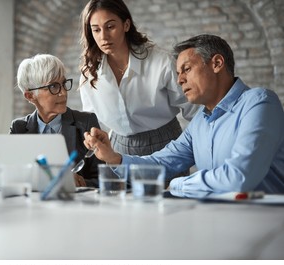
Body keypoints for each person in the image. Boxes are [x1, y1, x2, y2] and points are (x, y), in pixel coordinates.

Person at [83, 34, 284, 194]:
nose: (179, 80)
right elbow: (160, 163)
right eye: (178, 73)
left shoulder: (259, 103)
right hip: (218, 223)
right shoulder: (199, 123)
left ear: (216, 63)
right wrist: (114, 158)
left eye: (186, 69)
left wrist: (178, 184)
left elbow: (239, 177)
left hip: (266, 224)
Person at [79, 0, 199, 157]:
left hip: (166, 144)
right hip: (118, 148)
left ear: (126, 25)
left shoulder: (161, 62)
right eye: (96, 30)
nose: (104, 36)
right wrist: (91, 136)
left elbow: (194, 110)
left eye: (110, 27)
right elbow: (91, 120)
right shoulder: (89, 74)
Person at [10, 54, 103, 187]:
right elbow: (12, 177)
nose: (63, 93)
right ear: (30, 96)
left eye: (64, 84)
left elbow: (103, 178)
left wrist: (80, 182)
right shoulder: (18, 128)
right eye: (53, 86)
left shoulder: (86, 122)